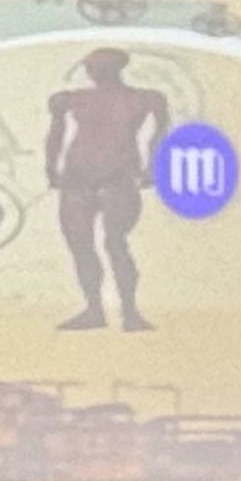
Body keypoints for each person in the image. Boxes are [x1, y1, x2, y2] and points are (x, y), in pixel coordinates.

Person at [45, 45, 169, 331]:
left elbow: (161, 132)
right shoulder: (73, 99)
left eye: (100, 66)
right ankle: (94, 310)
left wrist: (152, 167)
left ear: (116, 68)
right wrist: (50, 168)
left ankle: (130, 313)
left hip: (118, 177)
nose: (95, 71)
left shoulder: (142, 99)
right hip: (77, 178)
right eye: (92, 66)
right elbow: (55, 134)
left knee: (115, 242)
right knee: (82, 245)